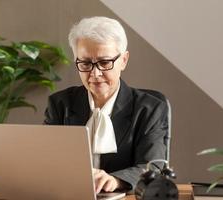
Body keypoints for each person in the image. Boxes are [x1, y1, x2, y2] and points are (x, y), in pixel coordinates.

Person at [44, 16, 168, 193]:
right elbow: (46, 160)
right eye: (86, 63)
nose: (95, 73)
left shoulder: (150, 109)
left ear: (123, 60)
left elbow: (153, 168)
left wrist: (116, 180)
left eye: (104, 62)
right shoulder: (60, 104)